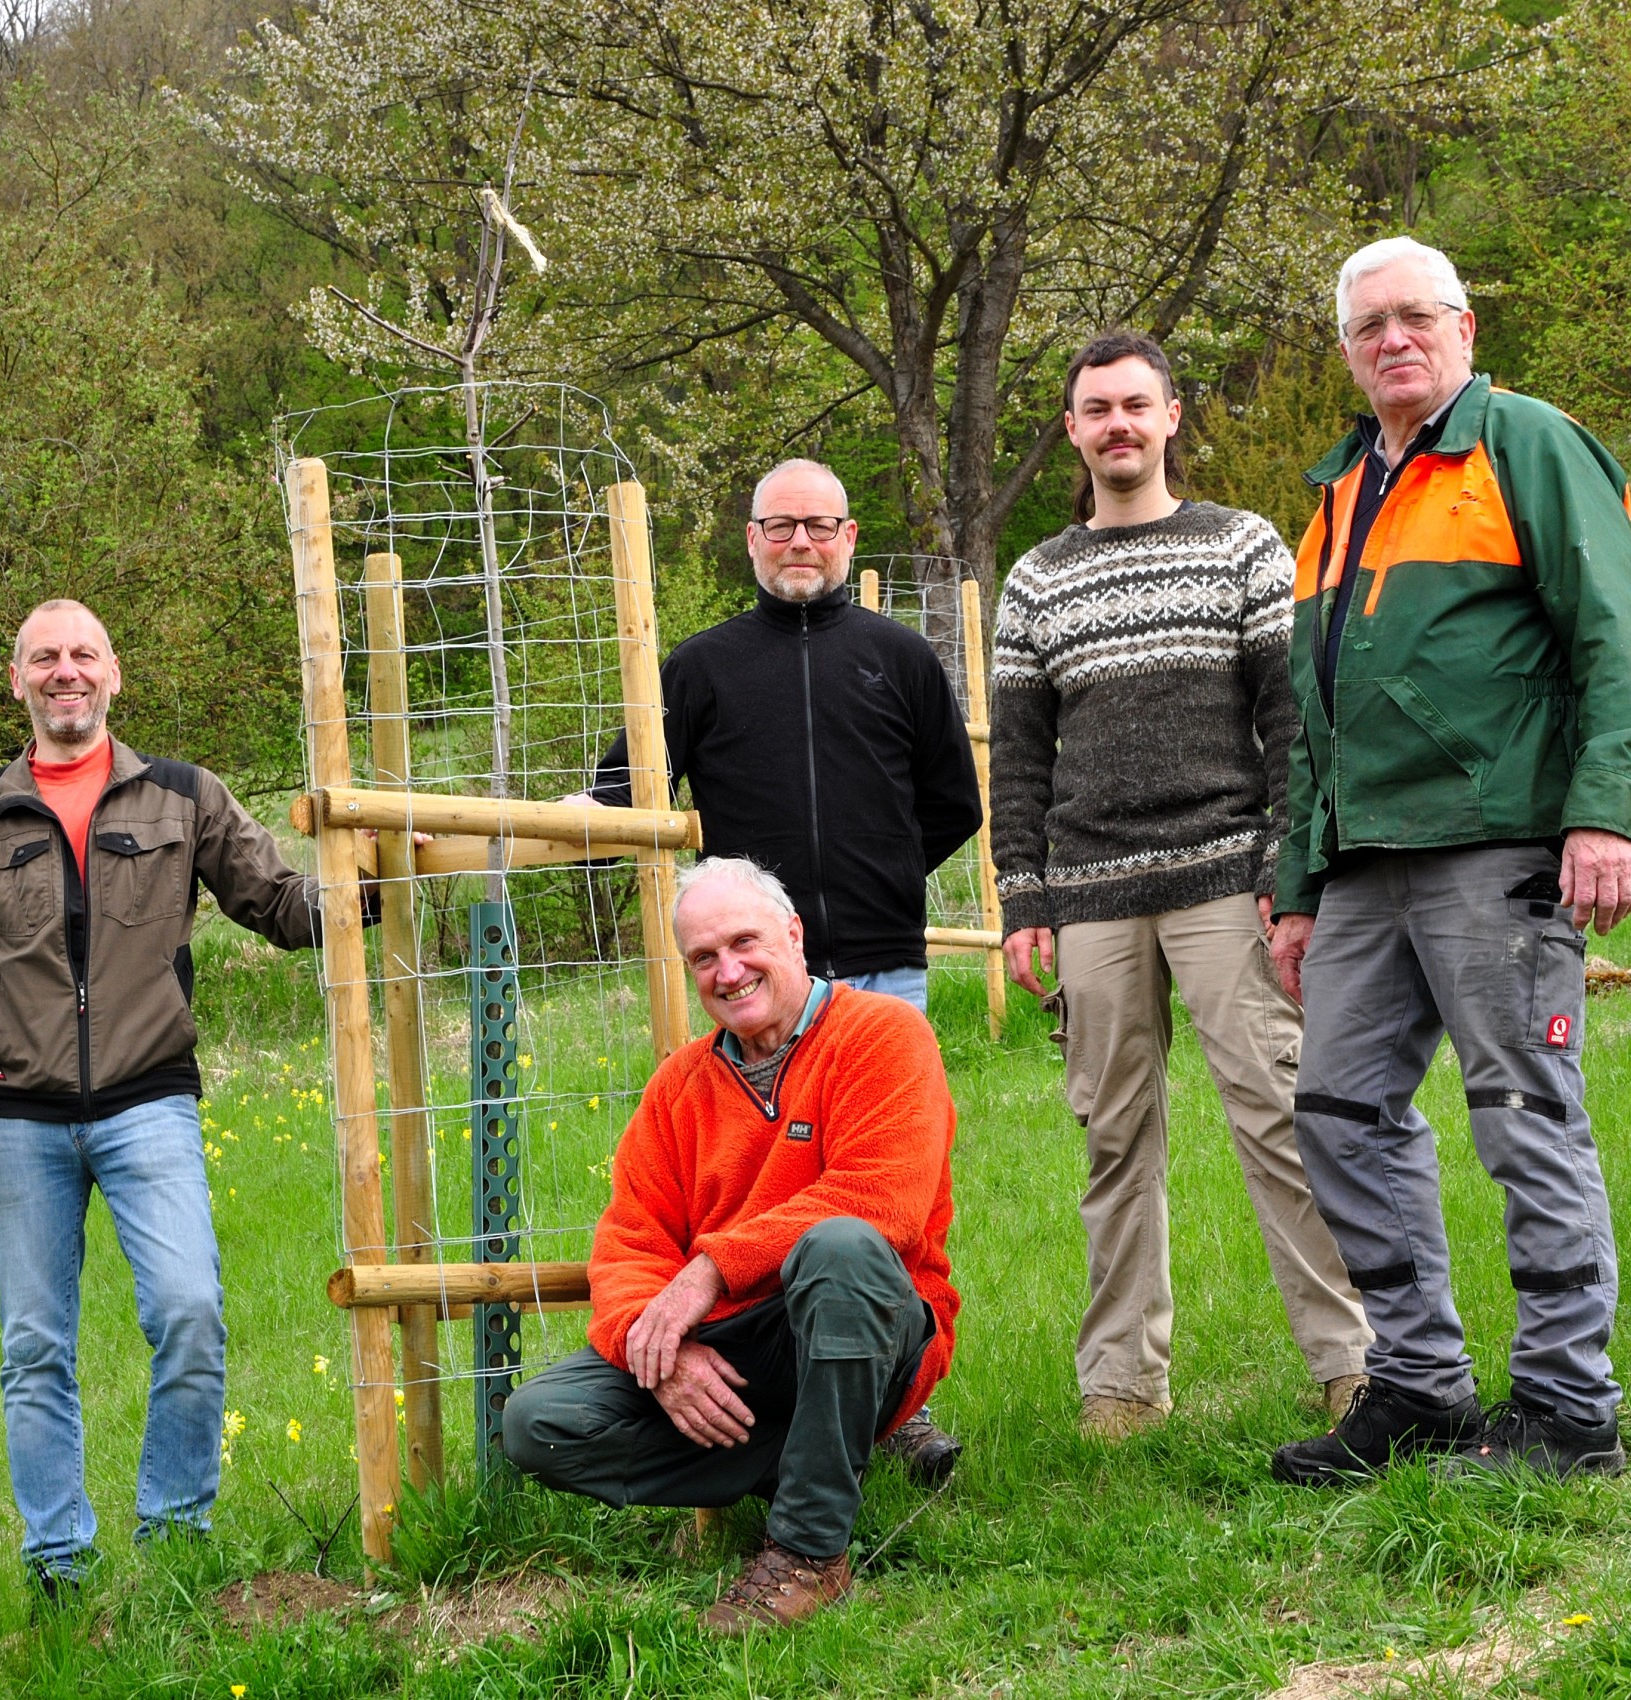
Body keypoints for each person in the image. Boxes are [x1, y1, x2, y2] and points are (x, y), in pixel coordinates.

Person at [1265, 237, 1631, 1484]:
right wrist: (1295, 887)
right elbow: (1312, 711)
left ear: (1465, 327)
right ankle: (1422, 1385)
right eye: (1367, 325)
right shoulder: (1336, 490)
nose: (1392, 339)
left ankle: (1565, 1409)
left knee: (1521, 1117)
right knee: (1334, 1112)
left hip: (1495, 845)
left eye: (1415, 317)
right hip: (1362, 865)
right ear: (1346, 350)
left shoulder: (1527, 445)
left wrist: (1604, 812)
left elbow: (1617, 640)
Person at [0, 600, 326, 1594]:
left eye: (82, 653)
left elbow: (277, 902)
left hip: (147, 1102)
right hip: (17, 1116)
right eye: (44, 657)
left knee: (190, 1310)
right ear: (18, 682)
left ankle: (173, 1541)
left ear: (114, 673)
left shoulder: (181, 797)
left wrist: (367, 885)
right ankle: (60, 1567)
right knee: (35, 1347)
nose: (65, 671)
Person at [988, 330, 1372, 1441]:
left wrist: (1281, 869)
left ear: (1170, 419)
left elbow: (1289, 719)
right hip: (1091, 891)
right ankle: (1121, 1383)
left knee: (1281, 1118)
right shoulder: (1037, 578)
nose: (1117, 423)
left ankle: (1351, 1361)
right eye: (1095, 407)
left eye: (1135, 405)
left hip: (1224, 882)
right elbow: (1018, 754)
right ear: (1072, 430)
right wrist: (1025, 899)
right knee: (1113, 1141)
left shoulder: (1241, 547)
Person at [502, 856, 961, 1634]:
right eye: (704, 958)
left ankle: (809, 1551)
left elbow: (884, 1201)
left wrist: (711, 1270)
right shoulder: (679, 1085)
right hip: (733, 1348)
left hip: (867, 1322)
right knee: (539, 1422)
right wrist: (663, 1349)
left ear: (793, 933)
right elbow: (629, 1239)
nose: (729, 971)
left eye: (744, 942)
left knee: (840, 1247)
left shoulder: (884, 1035)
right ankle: (835, 1450)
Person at [573, 458, 983, 1013]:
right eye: (780, 526)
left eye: (819, 525)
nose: (799, 542)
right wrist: (567, 821)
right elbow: (631, 787)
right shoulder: (702, 666)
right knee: (774, 1105)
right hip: (756, 970)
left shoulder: (902, 657)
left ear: (848, 536)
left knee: (888, 1104)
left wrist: (886, 871)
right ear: (752, 538)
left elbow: (954, 805)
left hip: (888, 968)